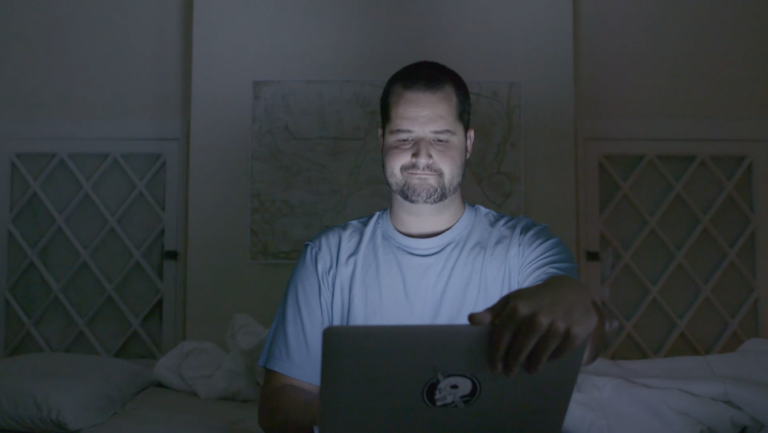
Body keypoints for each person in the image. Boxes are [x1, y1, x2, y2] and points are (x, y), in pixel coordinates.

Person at [257, 61, 604, 433]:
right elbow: (278, 405)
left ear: (467, 143)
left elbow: (588, 340)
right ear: (381, 141)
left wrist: (575, 300)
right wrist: (378, 413)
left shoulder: (527, 247)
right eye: (404, 137)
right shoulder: (327, 257)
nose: (421, 156)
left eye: (440, 138)